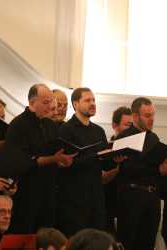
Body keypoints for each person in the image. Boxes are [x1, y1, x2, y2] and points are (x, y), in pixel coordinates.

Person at [5, 83, 74, 233]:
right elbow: (21, 161)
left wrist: (62, 161)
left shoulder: (50, 125)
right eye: (46, 102)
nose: (50, 107)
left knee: (46, 236)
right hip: (26, 193)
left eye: (51, 101)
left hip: (48, 191)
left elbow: (53, 153)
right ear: (31, 102)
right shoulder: (18, 125)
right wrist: (53, 159)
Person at [56, 87, 110, 237]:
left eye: (93, 100)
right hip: (74, 199)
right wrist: (94, 156)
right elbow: (65, 164)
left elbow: (105, 163)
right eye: (87, 100)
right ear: (75, 104)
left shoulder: (99, 131)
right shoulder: (66, 129)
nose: (92, 103)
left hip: (96, 196)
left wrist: (116, 158)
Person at [116, 97, 167, 250]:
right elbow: (127, 169)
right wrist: (157, 170)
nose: (151, 119)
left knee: (148, 243)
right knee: (129, 243)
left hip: (152, 198)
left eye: (152, 115)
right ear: (135, 116)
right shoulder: (124, 138)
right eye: (147, 115)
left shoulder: (153, 137)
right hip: (131, 197)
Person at [102, 106, 132, 236]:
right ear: (115, 125)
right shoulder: (105, 148)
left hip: (131, 206)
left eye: (132, 125)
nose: (131, 129)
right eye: (127, 125)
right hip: (110, 205)